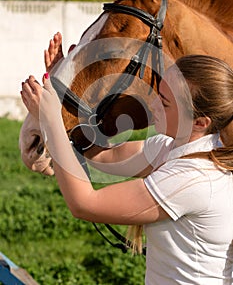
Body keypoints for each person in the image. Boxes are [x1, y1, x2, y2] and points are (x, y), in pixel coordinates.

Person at [21, 37, 233, 284]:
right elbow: (103, 155)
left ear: (200, 123)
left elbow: (85, 203)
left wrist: (50, 121)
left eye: (164, 103)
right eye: (158, 93)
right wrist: (65, 94)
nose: (152, 104)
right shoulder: (170, 149)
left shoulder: (195, 178)